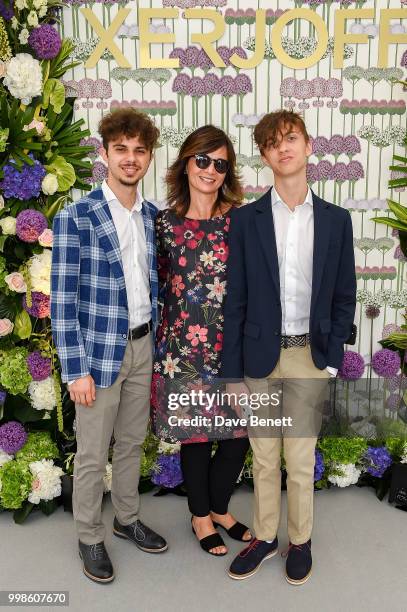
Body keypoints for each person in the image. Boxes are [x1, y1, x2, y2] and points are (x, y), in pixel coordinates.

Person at [221, 110, 356, 584]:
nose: (284, 147)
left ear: (307, 145)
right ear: (264, 156)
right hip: (259, 355)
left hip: (309, 356)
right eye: (273, 142)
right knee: (262, 456)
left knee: (299, 458)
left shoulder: (337, 221)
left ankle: (300, 541)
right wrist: (232, 374)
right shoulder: (245, 220)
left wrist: (334, 358)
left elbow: (344, 296)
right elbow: (234, 300)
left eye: (291, 138)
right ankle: (264, 537)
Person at [51, 109, 167, 584]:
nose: (130, 159)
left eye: (139, 150)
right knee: (93, 452)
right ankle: (89, 535)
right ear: (104, 153)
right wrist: (75, 369)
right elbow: (62, 301)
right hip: (97, 355)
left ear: (149, 157)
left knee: (133, 443)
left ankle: (126, 517)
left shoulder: (153, 216)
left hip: (143, 347)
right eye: (121, 149)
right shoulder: (76, 216)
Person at [151, 125, 251, 556]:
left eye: (221, 164)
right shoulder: (164, 222)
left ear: (228, 172)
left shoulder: (241, 220)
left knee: (238, 435)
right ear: (187, 163)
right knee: (195, 436)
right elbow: (155, 282)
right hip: (182, 350)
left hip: (232, 348)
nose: (211, 170)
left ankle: (220, 508)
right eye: (203, 160)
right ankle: (200, 515)